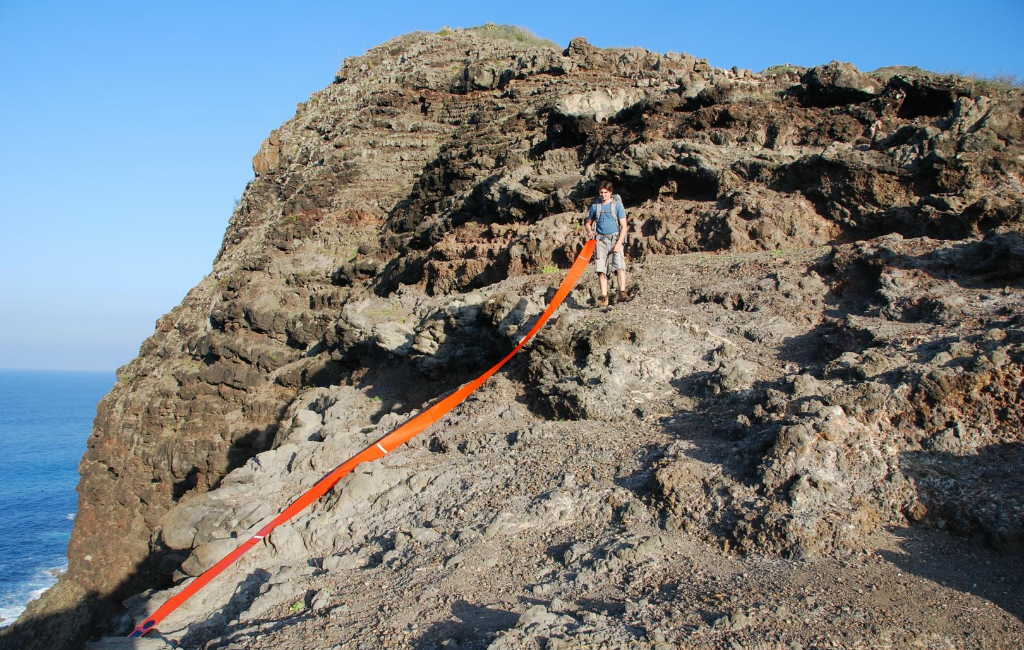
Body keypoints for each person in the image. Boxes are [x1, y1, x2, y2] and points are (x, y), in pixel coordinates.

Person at [584, 181, 630, 306]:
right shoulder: (595, 207)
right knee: (601, 269)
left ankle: (622, 293)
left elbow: (624, 226)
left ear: (610, 193)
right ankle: (604, 297)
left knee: (620, 266)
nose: (603, 195)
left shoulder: (617, 206)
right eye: (601, 192)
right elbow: (588, 223)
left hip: (615, 238)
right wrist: (590, 231)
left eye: (605, 192)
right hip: (600, 240)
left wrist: (619, 243)